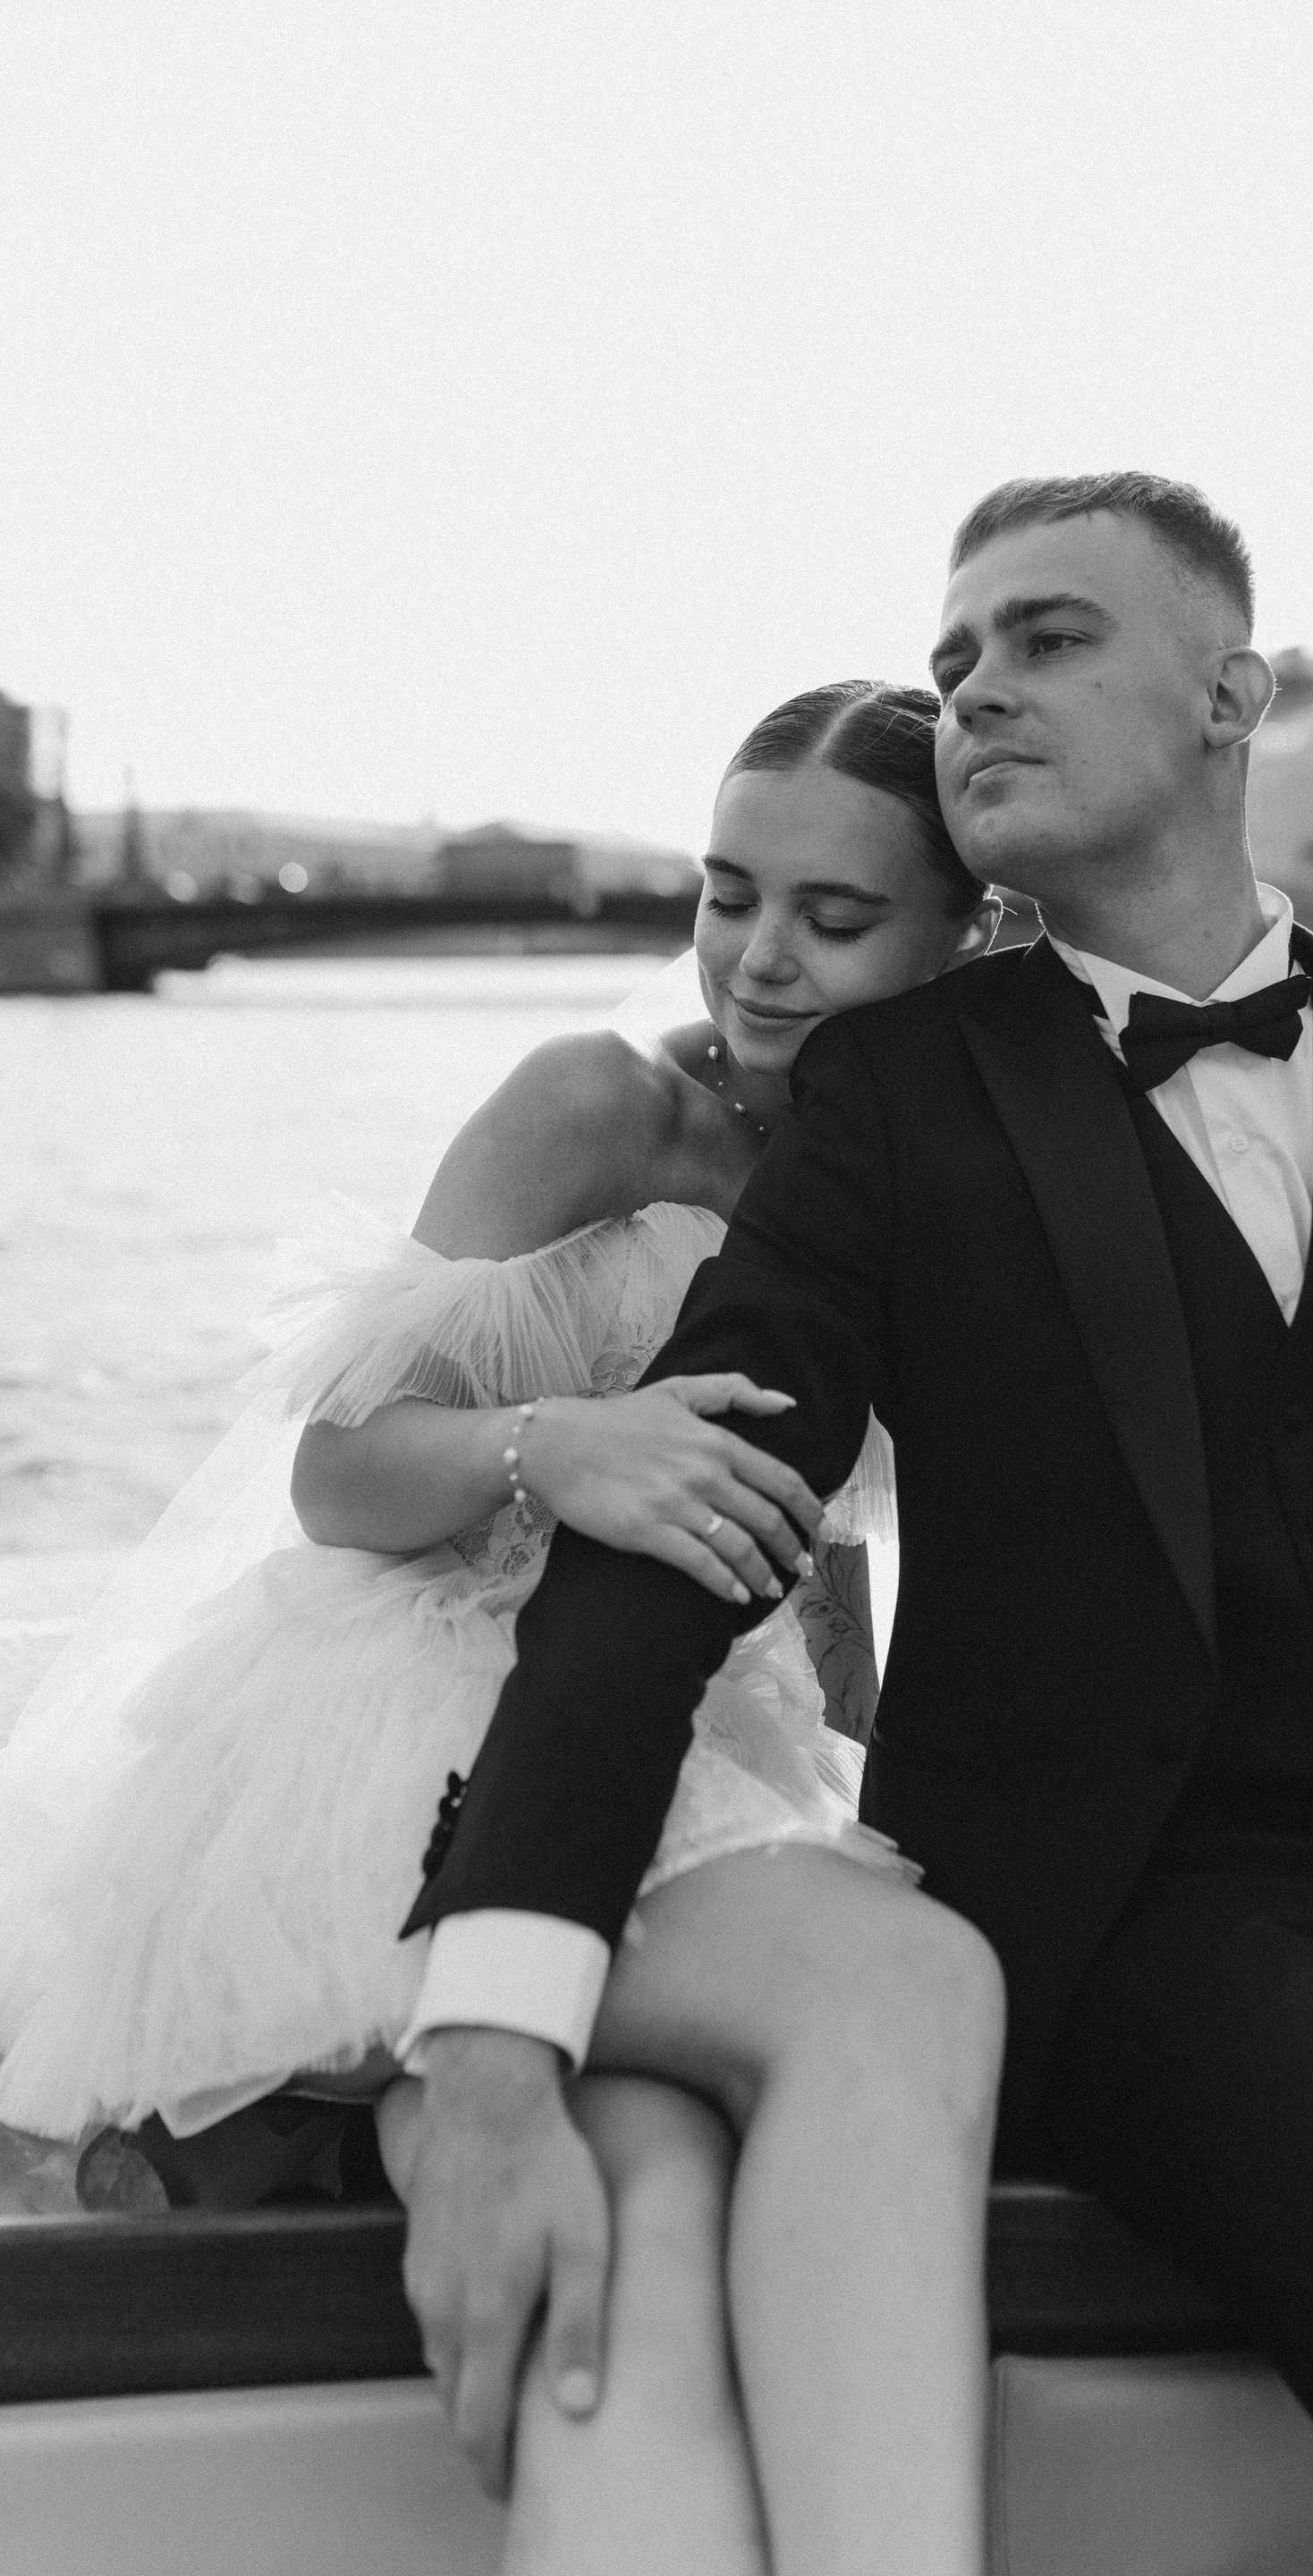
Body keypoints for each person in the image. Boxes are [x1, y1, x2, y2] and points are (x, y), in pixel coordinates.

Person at [402, 473, 1313, 2576]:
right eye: (953, 664)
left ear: (1232, 696)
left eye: (1047, 638)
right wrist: (491, 2039)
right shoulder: (892, 1095)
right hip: (1172, 1924)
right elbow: (684, 1531)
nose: (977, 693)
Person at [0, 680, 1005, 2576]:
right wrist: (559, 1443)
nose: (755, 958)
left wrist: (863, 1755)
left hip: (696, 1744)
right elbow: (335, 1468)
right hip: (420, 1725)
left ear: (970, 935)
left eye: (832, 916)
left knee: (651, 2188)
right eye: (726, 893)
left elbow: (808, 1530)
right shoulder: (597, 1106)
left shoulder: (903, 1167)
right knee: (860, 2010)